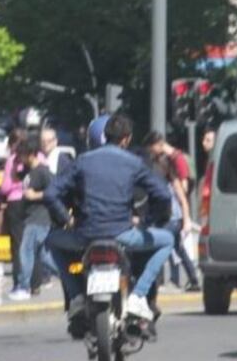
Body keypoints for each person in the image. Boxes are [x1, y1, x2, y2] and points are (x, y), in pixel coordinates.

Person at [45, 114, 174, 322]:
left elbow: (51, 194)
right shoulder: (134, 163)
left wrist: (67, 220)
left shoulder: (82, 162)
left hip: (85, 236)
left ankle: (76, 296)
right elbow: (163, 195)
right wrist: (146, 222)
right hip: (123, 235)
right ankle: (138, 296)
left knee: (51, 240)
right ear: (127, 139)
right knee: (168, 239)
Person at [143, 131, 201, 292]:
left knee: (159, 245)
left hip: (172, 217)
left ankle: (158, 281)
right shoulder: (168, 173)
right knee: (177, 247)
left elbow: (183, 193)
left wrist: (187, 219)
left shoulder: (171, 170)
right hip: (175, 217)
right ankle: (194, 279)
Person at [9, 141, 56, 301]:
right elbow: (15, 177)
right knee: (45, 257)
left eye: (21, 156)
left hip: (38, 219)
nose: (19, 160)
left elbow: (54, 192)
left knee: (26, 251)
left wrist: (35, 195)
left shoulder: (42, 172)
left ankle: (23, 287)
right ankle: (71, 275)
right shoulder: (30, 171)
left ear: (29, 154)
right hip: (31, 217)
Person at [0, 128, 31, 298]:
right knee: (32, 243)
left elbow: (5, 187)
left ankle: (19, 282)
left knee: (18, 246)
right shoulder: (38, 156)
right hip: (33, 204)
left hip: (15, 203)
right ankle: (34, 282)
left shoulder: (12, 160)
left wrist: (14, 186)